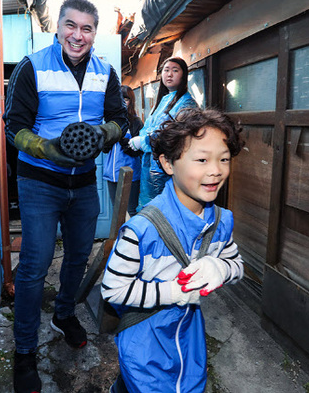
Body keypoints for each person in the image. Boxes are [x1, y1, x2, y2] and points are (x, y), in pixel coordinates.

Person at [4, 0, 128, 393]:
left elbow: (119, 119)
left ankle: (63, 314)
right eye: (71, 25)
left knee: (78, 255)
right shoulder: (32, 66)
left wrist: (103, 134)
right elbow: (14, 127)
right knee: (35, 266)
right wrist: (48, 148)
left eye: (87, 28)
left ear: (95, 33)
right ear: (58, 28)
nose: (78, 35)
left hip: (84, 182)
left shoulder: (105, 72)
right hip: (40, 181)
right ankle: (24, 352)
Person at [102, 107, 245, 393]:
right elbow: (113, 290)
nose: (216, 170)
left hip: (188, 336)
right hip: (144, 340)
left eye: (224, 159)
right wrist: (174, 292)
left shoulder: (220, 221)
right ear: (168, 163)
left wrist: (220, 268)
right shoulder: (142, 230)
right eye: (202, 159)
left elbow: (236, 264)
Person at [127, 57, 198, 211]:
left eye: (175, 70)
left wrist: (144, 140)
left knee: (167, 211)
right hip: (152, 166)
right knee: (152, 211)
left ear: (184, 75)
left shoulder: (186, 103)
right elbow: (150, 127)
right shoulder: (163, 100)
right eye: (166, 70)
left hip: (170, 168)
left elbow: (174, 133)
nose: (169, 74)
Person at [103, 86, 143, 216]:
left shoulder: (136, 122)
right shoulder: (110, 122)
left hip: (131, 173)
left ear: (131, 101)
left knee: (131, 210)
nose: (122, 102)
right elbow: (104, 149)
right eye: (119, 98)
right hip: (112, 173)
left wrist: (123, 139)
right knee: (117, 211)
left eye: (126, 99)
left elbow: (138, 151)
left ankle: (132, 236)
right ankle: (118, 237)